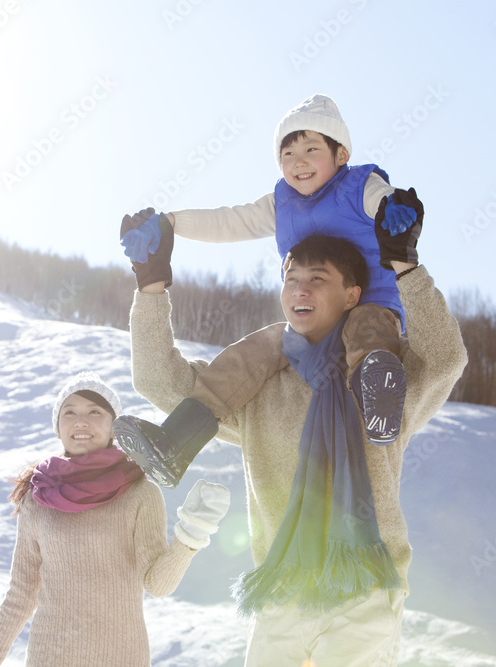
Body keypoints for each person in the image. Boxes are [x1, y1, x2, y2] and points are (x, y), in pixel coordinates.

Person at [122, 223, 467, 663]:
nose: (300, 288)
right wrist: (150, 285)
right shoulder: (256, 385)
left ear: (351, 295)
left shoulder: (381, 384)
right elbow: (159, 381)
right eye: (291, 278)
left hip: (362, 592)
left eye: (317, 279)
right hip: (280, 592)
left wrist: (407, 268)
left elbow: (445, 358)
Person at [118, 94, 424, 487]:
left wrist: (396, 208)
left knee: (368, 327)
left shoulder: (360, 186)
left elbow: (384, 203)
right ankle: (176, 440)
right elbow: (232, 221)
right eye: (288, 152)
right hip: (309, 324)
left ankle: (374, 400)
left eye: (312, 149)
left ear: (341, 154)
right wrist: (170, 222)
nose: (298, 161)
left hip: (370, 303)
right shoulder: (283, 202)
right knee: (257, 348)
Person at [0, 372, 230, 666]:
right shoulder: (38, 496)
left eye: (95, 411)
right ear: (58, 427)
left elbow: (156, 584)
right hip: (49, 657)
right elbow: (22, 592)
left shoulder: (139, 492)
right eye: (70, 412)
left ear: (114, 428)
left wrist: (191, 533)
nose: (81, 421)